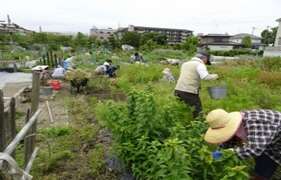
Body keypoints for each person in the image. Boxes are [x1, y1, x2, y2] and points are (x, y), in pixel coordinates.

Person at [204, 109, 281, 180]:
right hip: (271, 145)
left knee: (261, 154)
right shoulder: (237, 122)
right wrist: (219, 152)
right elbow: (230, 139)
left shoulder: (255, 122)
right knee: (263, 164)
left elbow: (254, 149)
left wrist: (230, 153)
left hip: (277, 143)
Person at [174, 51, 218, 119]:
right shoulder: (200, 64)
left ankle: (178, 122)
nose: (206, 63)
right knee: (197, 110)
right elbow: (205, 77)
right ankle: (198, 126)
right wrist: (215, 76)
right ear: (204, 58)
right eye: (206, 61)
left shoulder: (185, 63)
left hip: (178, 89)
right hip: (189, 91)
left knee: (180, 109)